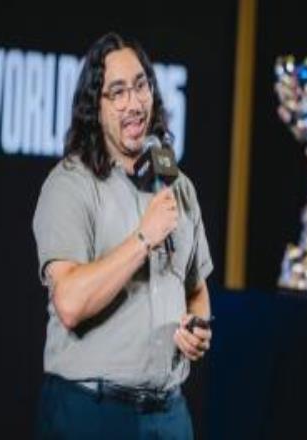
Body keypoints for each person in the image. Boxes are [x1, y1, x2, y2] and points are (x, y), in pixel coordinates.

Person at [32, 31, 213, 439]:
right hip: (91, 413)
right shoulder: (69, 185)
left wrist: (197, 326)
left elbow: (196, 287)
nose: (134, 103)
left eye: (140, 86)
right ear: (94, 109)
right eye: (117, 92)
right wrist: (143, 239)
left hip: (169, 415)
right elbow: (70, 303)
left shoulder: (179, 186)